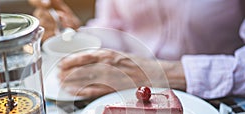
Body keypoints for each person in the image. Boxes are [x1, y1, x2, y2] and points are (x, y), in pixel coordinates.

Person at [29, 0, 245, 99]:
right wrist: (73, 35)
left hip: (221, 98)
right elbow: (114, 27)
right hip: (128, 90)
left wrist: (161, 74)